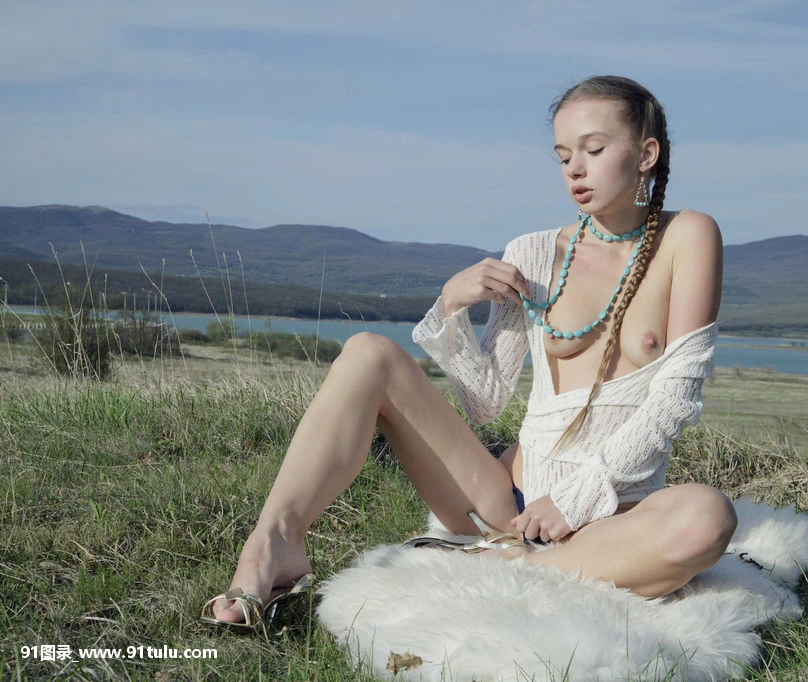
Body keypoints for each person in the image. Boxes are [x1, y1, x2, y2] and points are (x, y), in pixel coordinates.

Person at [203, 75, 736, 626]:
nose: (575, 169)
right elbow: (485, 404)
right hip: (506, 506)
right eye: (563, 156)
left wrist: (577, 499)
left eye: (594, 150)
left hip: (613, 520)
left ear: (646, 154)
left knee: (707, 516)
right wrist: (452, 306)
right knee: (367, 353)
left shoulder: (688, 236)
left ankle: (519, 565)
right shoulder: (533, 253)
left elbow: (675, 402)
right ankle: (275, 542)